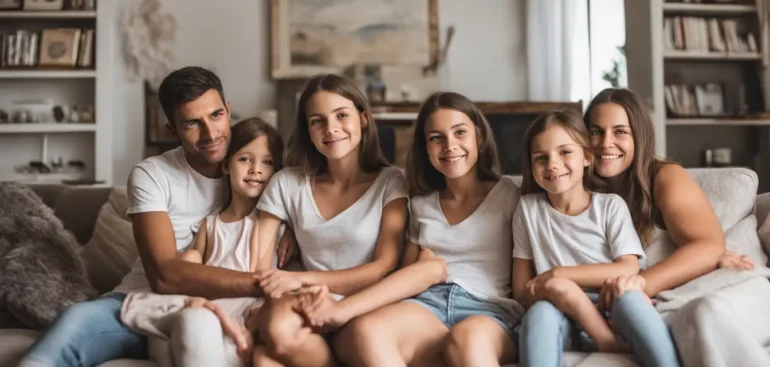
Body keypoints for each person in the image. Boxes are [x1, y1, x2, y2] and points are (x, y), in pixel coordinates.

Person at [20, 67, 292, 367]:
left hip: (223, 308)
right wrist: (266, 284)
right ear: (172, 130)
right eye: (192, 123)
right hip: (145, 300)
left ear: (228, 111)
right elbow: (164, 275)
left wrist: (292, 227)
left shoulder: (257, 169)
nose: (211, 133)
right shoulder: (152, 175)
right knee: (71, 325)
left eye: (216, 115)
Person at [301, 91, 523, 366]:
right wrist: (288, 228)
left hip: (488, 310)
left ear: (478, 135)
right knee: (367, 330)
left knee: (468, 338)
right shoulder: (420, 204)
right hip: (427, 306)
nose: (449, 145)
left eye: (459, 132)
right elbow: (405, 277)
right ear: (425, 147)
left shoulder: (511, 194)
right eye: (436, 138)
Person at [249, 73, 409, 367]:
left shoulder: (391, 182)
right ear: (307, 130)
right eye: (317, 120)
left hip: (366, 305)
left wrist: (299, 278)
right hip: (305, 302)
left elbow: (383, 267)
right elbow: (260, 265)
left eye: (341, 115)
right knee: (271, 340)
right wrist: (292, 231)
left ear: (363, 118)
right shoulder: (286, 182)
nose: (330, 128)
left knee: (264, 357)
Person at [120, 118, 291, 367]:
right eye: (245, 159)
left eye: (267, 162)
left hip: (245, 308)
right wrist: (187, 261)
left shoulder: (270, 224)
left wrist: (292, 233)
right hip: (206, 300)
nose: (256, 169)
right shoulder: (209, 224)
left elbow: (264, 277)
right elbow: (191, 262)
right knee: (166, 335)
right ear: (225, 165)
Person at [512, 109, 678, 367]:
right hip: (558, 310)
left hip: (611, 303)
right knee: (538, 315)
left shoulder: (610, 206)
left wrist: (561, 275)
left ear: (587, 157)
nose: (552, 164)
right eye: (540, 158)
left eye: (565, 152)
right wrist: (559, 290)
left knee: (632, 300)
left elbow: (628, 267)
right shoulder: (527, 209)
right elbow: (521, 289)